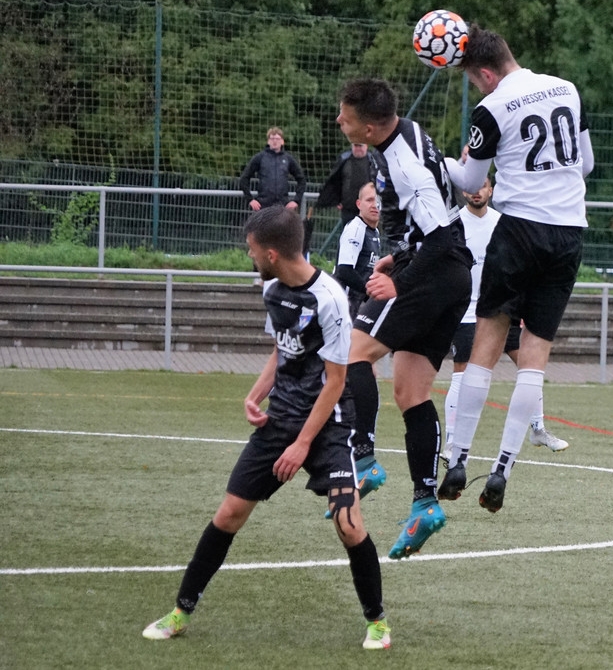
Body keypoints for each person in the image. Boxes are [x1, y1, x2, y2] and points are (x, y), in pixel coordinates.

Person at [142, 206, 390, 650]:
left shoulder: (330, 299)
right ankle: (180, 612)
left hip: (329, 426)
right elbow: (281, 350)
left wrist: (302, 444)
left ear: (272, 253)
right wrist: (255, 395)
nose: (249, 256)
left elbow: (336, 382)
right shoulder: (273, 289)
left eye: (252, 249)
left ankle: (378, 623)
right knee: (229, 514)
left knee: (349, 523)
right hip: (281, 420)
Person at [438, 24, 594, 513]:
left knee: (484, 348)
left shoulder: (493, 107)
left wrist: (443, 160)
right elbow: (586, 164)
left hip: (519, 229)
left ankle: (459, 460)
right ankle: (502, 468)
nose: (477, 89)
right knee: (534, 357)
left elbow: (471, 181)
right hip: (569, 232)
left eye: (474, 81)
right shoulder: (567, 89)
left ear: (486, 73)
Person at [335, 78, 472, 559]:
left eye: (346, 117)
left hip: (432, 272)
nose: (339, 121)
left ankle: (364, 458)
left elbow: (440, 236)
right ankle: (424, 504)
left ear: (369, 128)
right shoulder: (406, 130)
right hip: (447, 274)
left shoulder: (404, 163)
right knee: (411, 392)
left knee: (352, 353)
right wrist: (401, 255)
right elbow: (436, 221)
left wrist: (401, 281)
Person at [442, 178, 568, 461]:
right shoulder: (454, 224)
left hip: (501, 308)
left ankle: (538, 429)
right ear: (464, 190)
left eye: (483, 185)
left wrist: (521, 306)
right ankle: (451, 441)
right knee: (462, 372)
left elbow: (520, 266)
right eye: (472, 186)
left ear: (491, 190)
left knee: (529, 364)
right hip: (466, 311)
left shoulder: (503, 223)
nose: (477, 191)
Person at [334, 182, 381, 320]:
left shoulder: (374, 231)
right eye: (369, 200)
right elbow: (344, 271)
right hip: (344, 304)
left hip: (358, 304)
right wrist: (370, 294)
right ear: (359, 204)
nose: (375, 205)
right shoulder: (355, 229)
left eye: (378, 201)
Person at [238, 127, 307, 212]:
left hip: (282, 206)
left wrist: (296, 200)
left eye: (277, 139)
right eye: (272, 138)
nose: (275, 141)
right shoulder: (260, 157)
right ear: (268, 141)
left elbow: (301, 179)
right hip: (263, 206)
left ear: (282, 141)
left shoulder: (288, 159)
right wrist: (250, 199)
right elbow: (244, 178)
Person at [317, 143, 373, 226]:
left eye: (360, 146)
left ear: (366, 146)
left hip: (368, 208)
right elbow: (335, 181)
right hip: (348, 209)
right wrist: (337, 200)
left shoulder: (373, 161)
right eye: (356, 146)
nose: (358, 148)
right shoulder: (344, 160)